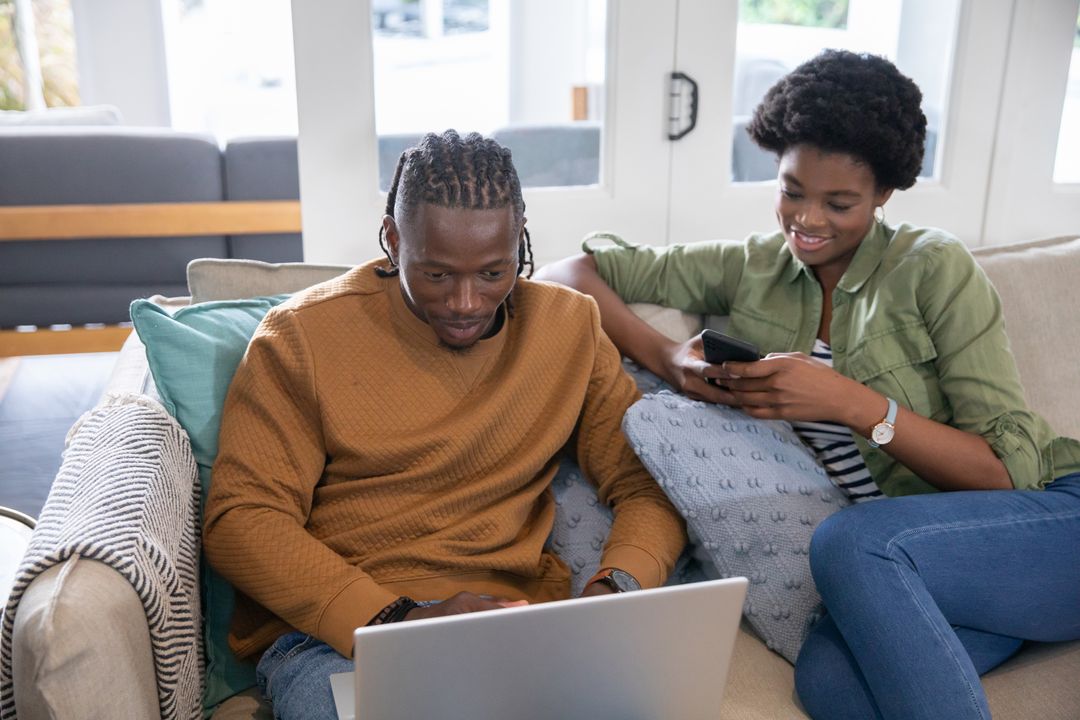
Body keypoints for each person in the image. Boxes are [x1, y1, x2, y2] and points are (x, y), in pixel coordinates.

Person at [536, 50, 1080, 720]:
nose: (808, 221)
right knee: (828, 681)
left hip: (1049, 517)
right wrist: (671, 356)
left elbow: (1008, 476)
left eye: (840, 202)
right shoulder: (756, 267)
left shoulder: (932, 267)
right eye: (792, 190)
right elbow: (569, 273)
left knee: (850, 539)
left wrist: (854, 405)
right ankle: (1034, 612)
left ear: (884, 194)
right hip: (930, 571)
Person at [203, 130, 686, 719]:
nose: (465, 303)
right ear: (391, 239)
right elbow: (242, 519)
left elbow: (646, 485)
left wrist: (616, 591)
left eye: (492, 273)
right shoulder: (300, 337)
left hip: (513, 628)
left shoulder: (569, 328)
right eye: (436, 275)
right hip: (344, 635)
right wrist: (400, 619)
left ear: (520, 242)